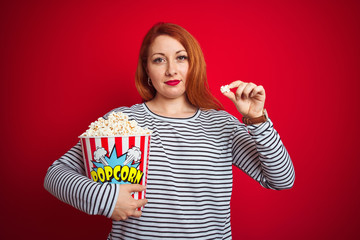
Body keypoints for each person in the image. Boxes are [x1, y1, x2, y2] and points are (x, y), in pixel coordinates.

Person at [44, 22, 295, 239]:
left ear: (192, 65)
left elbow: (282, 180)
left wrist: (257, 119)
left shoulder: (222, 124)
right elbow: (55, 175)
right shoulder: (122, 121)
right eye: (159, 59)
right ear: (147, 71)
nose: (171, 69)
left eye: (181, 57)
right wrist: (107, 200)